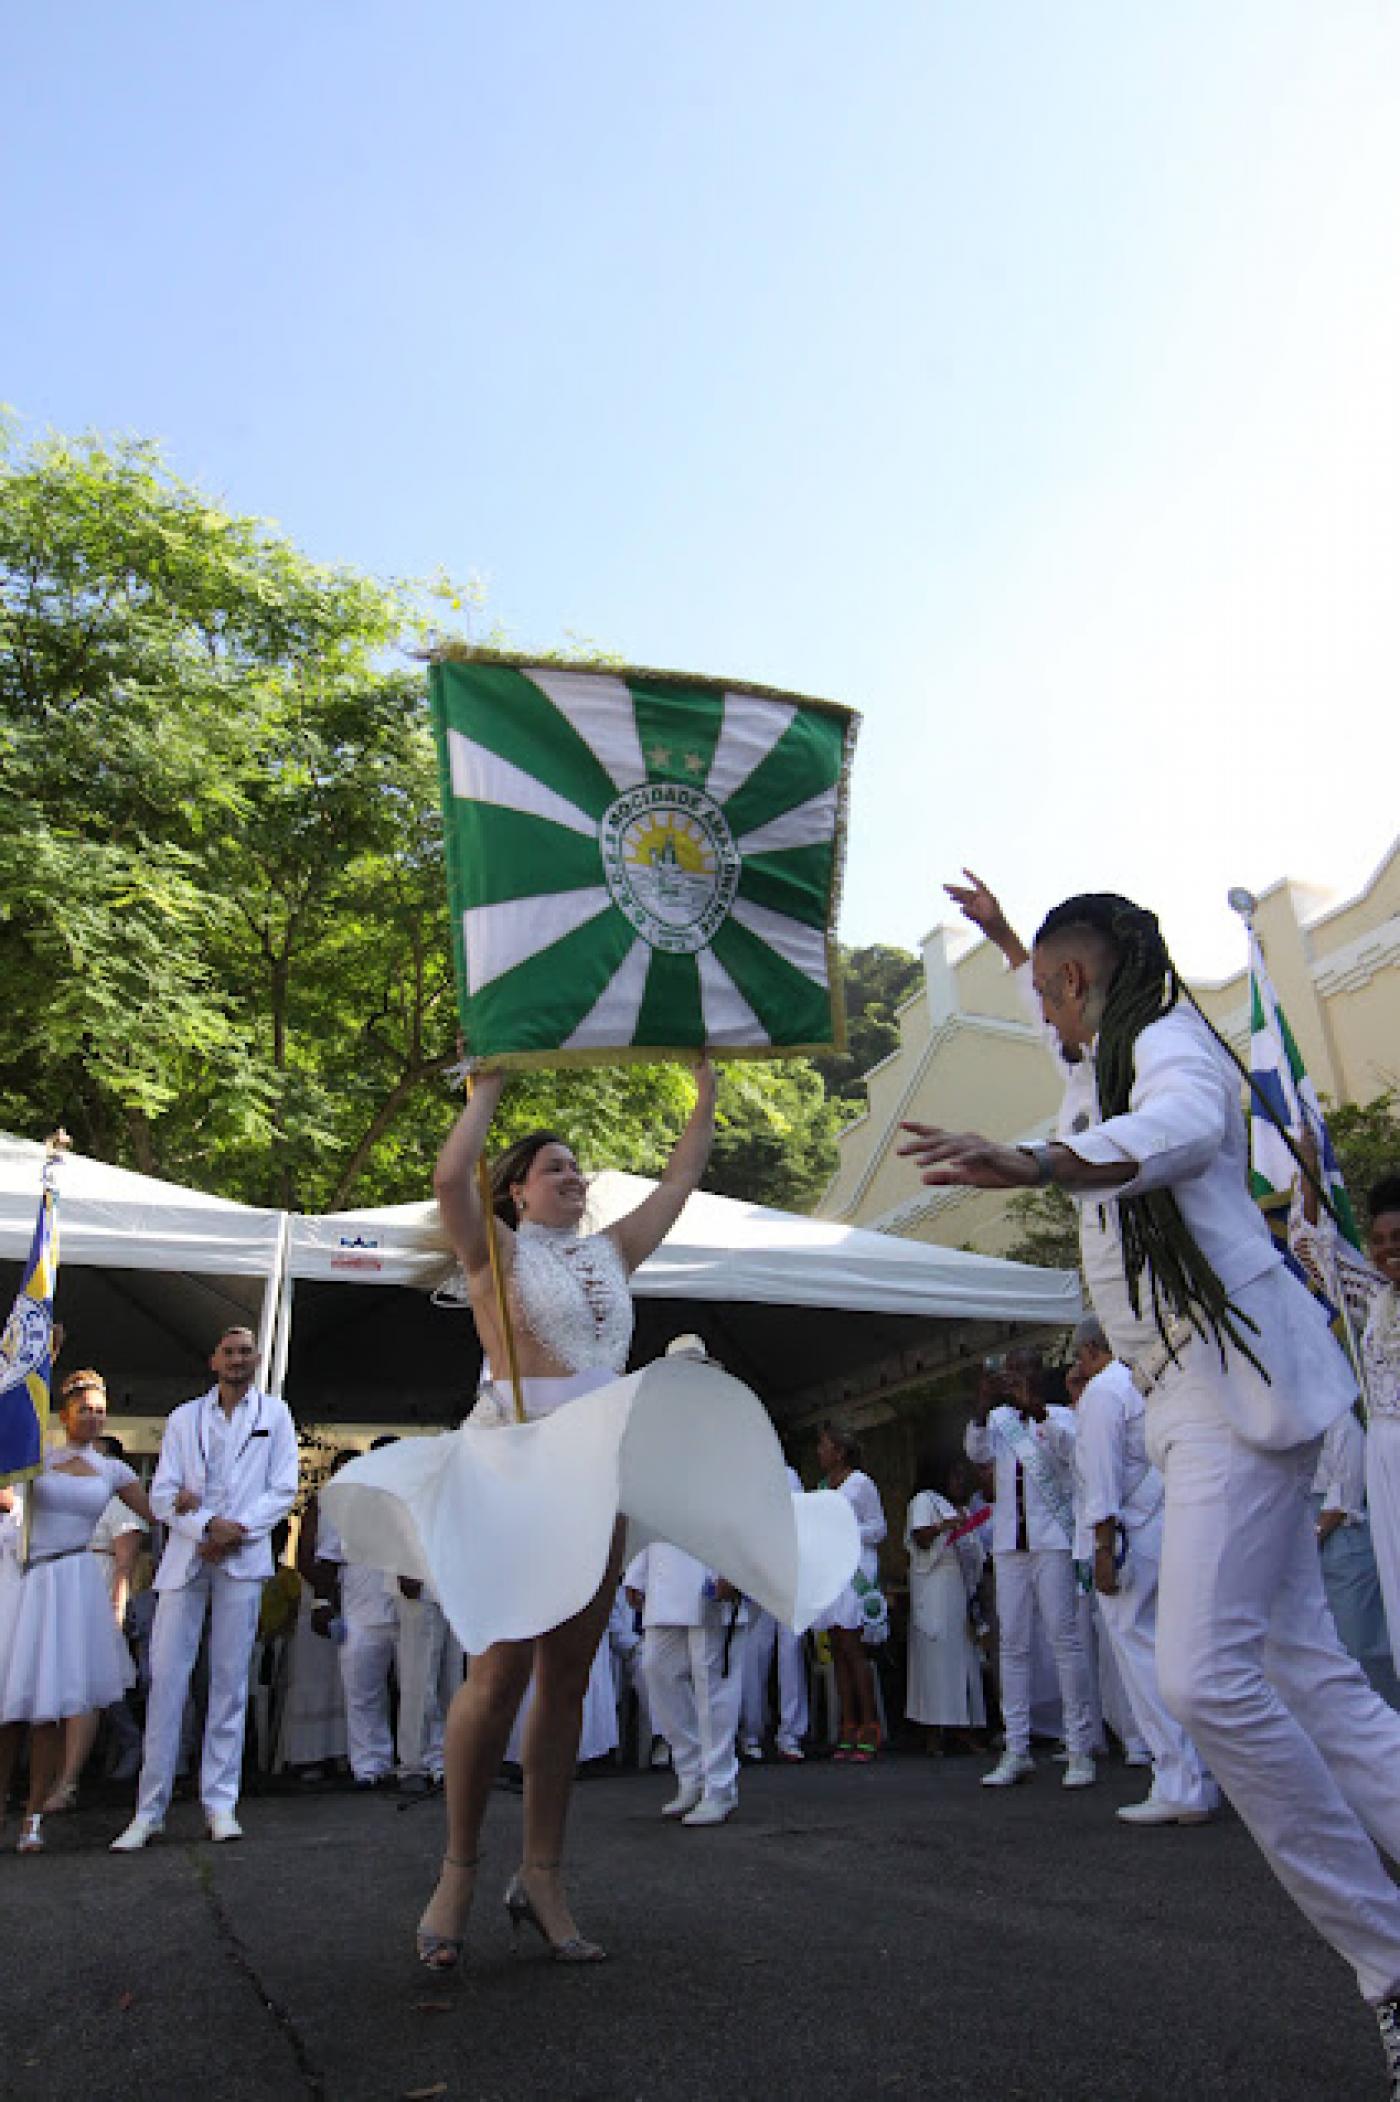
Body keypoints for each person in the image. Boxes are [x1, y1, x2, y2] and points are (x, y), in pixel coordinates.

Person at [903, 874, 1400, 2092]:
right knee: (1303, 1669)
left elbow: (1177, 1129)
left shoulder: (1166, 1047)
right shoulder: (1097, 1050)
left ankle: (1387, 1965)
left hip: (1219, 1381)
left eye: (1042, 986)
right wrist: (1010, 940)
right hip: (1189, 1391)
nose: (1039, 1013)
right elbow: (1073, 1056)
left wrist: (1032, 1161)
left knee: (1200, 1674)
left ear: (1081, 985)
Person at [321, 1066, 856, 1971]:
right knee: (499, 1671)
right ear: (519, 1188)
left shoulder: (611, 1252)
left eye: (580, 1171)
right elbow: (451, 1179)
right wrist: (482, 1092)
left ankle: (543, 1874)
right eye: (556, 1168)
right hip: (513, 1463)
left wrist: (705, 1088)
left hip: (593, 1469)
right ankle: (457, 1867)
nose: (575, 1178)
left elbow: (681, 1181)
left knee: (567, 1676)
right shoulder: (491, 1251)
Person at [111, 1325, 299, 1851]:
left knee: (229, 1682)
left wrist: (229, 1528)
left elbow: (282, 1487)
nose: (238, 1359)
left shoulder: (275, 1416)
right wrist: (204, 1527)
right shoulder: (183, 1418)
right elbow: (165, 1493)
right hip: (187, 1557)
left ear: (256, 1360)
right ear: (214, 1359)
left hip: (241, 1555)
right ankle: (150, 1810)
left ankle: (220, 1803)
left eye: (246, 1352)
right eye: (229, 1352)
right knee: (166, 1681)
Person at [0, 1369, 154, 1852]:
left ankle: (33, 1819)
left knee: (51, 1707)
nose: (93, 1417)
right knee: (9, 1711)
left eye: (100, 1410)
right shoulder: (39, 1455)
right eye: (85, 1409)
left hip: (72, 1580)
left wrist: (202, 1514)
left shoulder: (113, 1470)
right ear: (65, 1412)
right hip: (28, 1579)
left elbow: (154, 1510)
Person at [1070, 1318, 1215, 1823]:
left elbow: (1103, 1478)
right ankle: (1194, 1771)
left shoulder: (1102, 1396)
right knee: (1168, 1647)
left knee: (1141, 1652)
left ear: (1089, 1352)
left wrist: (1103, 1548)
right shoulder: (1138, 1382)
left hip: (1129, 1535)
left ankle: (1178, 1776)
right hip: (1161, 1521)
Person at [964, 1351, 1096, 1788]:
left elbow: (1072, 1455)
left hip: (1052, 1541)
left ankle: (1079, 1747)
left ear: (1039, 1375)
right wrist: (983, 1406)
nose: (1016, 1379)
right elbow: (975, 1450)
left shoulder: (1059, 1415)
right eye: (1010, 1374)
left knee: (1064, 1640)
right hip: (1008, 1544)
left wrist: (1035, 1409)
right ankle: (1016, 1748)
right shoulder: (1000, 1422)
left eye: (1023, 1371)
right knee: (1013, 1646)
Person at [1292, 1151, 1400, 1679]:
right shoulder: (1375, 1297)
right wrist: (1305, 1164)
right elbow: (1310, 1250)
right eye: (1379, 1241)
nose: (1387, 1250)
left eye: (1397, 1238)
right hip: (1384, 1457)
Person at [810, 1422, 886, 1762]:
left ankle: (871, 1724)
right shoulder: (823, 1486)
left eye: (824, 1446)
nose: (819, 1452)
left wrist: (844, 1529)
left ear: (839, 1452)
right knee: (838, 1648)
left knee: (854, 1650)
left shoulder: (861, 1484)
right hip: (832, 1571)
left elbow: (878, 1528)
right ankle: (848, 1724)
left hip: (856, 1570)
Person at [905, 1454, 987, 1754]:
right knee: (934, 1661)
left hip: (956, 1589)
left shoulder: (960, 1507)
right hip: (934, 1587)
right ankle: (933, 1731)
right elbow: (920, 1539)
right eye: (954, 1476)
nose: (960, 1482)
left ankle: (962, 1726)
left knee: (961, 1659)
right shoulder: (925, 1501)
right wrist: (945, 1527)